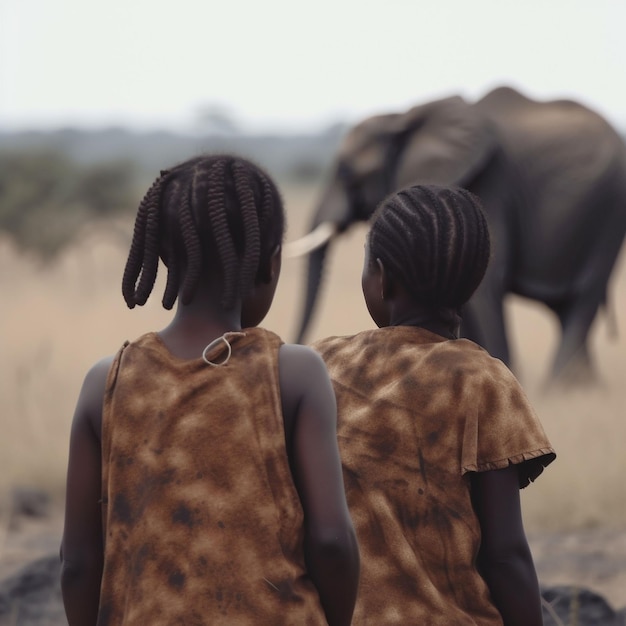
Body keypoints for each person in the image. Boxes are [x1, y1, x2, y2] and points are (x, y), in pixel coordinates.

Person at [60, 154, 359, 626]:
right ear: (271, 263)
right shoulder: (296, 373)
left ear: (161, 256)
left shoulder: (107, 381)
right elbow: (331, 542)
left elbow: (77, 562)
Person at [313, 184, 556, 626]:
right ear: (474, 280)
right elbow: (506, 555)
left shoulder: (321, 363)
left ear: (382, 277)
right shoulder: (482, 379)